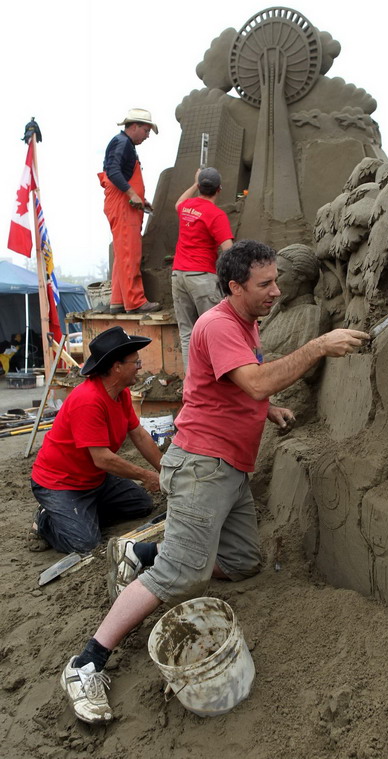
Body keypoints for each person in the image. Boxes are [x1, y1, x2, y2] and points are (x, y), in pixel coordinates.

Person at [59, 240, 369, 724]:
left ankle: (143, 552)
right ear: (235, 286)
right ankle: (87, 662)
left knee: (243, 561)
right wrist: (317, 346)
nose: (276, 291)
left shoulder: (246, 321)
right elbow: (257, 380)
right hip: (203, 465)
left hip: (230, 468)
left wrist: (267, 410)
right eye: (265, 284)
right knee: (181, 573)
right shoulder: (220, 324)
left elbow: (235, 387)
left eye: (276, 281)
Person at [29, 326, 162, 555]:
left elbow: (139, 434)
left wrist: (165, 470)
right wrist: (146, 475)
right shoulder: (88, 400)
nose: (140, 368)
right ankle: (45, 522)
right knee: (85, 545)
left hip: (93, 479)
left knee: (141, 505)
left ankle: (79, 515)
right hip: (60, 483)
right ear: (117, 367)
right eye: (136, 363)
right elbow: (102, 459)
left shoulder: (122, 393)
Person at [98, 108, 161, 315]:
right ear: (134, 126)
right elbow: (113, 171)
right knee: (130, 253)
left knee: (122, 254)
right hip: (122, 205)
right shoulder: (122, 142)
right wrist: (133, 195)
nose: (147, 135)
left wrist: (140, 199)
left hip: (125, 203)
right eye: (146, 130)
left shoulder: (124, 144)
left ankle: (118, 300)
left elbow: (119, 174)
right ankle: (135, 302)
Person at [172, 167, 233, 369]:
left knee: (187, 332)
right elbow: (229, 250)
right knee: (213, 329)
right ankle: (216, 378)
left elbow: (178, 203)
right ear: (219, 189)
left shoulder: (187, 207)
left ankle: (192, 381)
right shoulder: (216, 215)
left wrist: (195, 181)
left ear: (200, 187)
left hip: (178, 275)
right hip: (202, 277)